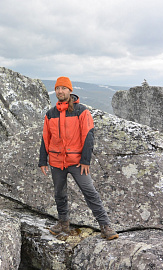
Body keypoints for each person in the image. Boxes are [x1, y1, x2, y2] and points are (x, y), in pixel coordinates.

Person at [38, 76, 118, 241]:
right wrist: (42, 160)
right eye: (58, 88)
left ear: (70, 90)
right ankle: (63, 223)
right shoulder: (50, 114)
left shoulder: (81, 111)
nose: (60, 91)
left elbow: (88, 135)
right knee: (59, 193)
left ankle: (105, 226)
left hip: (76, 162)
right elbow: (46, 138)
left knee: (90, 192)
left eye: (64, 88)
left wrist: (85, 160)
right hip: (56, 162)